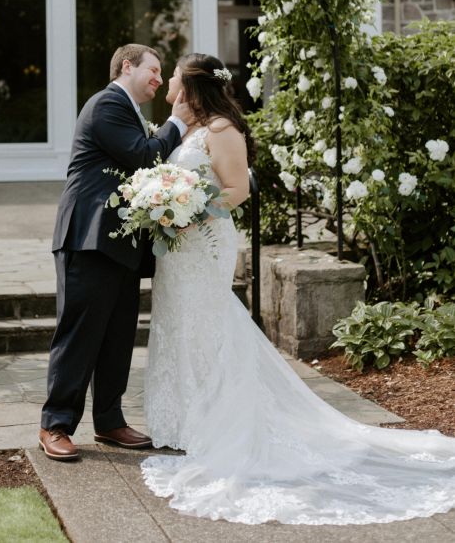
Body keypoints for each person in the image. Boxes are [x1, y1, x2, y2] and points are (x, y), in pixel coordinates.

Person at [142, 52, 455, 526]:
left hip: (203, 241)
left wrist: (187, 208)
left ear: (191, 87)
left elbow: (236, 190)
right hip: (176, 248)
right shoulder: (182, 128)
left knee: (207, 321)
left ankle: (215, 420)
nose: (167, 83)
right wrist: (164, 205)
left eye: (175, 78)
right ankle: (182, 419)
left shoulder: (223, 130)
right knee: (177, 322)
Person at [39, 43, 192, 461]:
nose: (160, 80)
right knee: (79, 335)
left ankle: (109, 421)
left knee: (117, 336)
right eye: (154, 70)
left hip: (121, 242)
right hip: (88, 238)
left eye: (163, 73)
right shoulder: (107, 104)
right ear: (127, 66)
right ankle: (55, 424)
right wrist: (177, 123)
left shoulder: (132, 112)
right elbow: (144, 156)